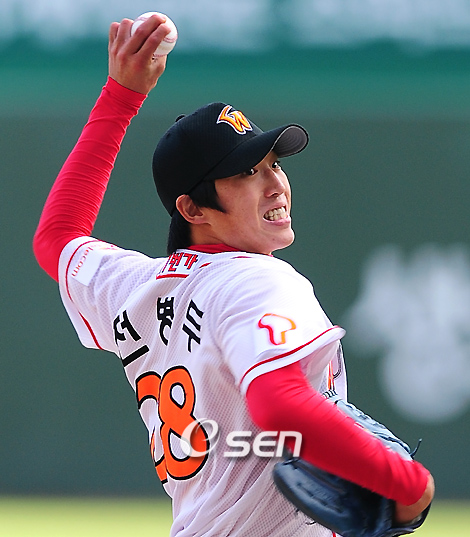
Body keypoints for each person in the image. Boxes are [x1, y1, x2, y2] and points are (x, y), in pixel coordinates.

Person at [33, 14, 434, 537]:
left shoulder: (138, 287)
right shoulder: (258, 281)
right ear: (193, 209)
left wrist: (121, 97)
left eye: (273, 163)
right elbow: (278, 402)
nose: (275, 184)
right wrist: (409, 484)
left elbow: (57, 237)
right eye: (246, 172)